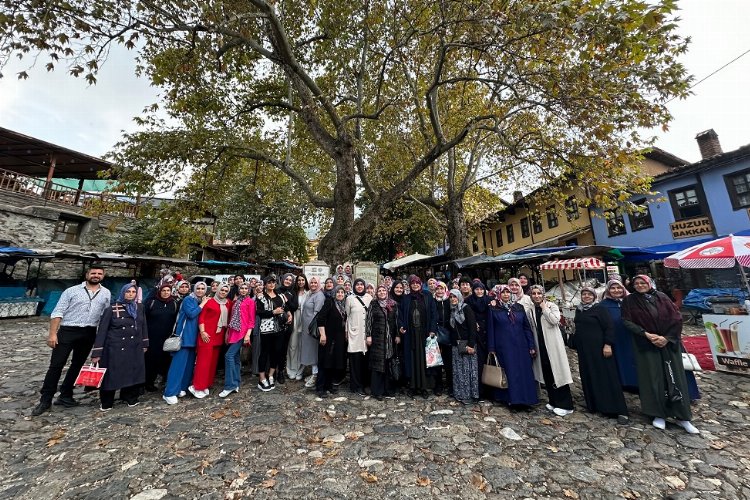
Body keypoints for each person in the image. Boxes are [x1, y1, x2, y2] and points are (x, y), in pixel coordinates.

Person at [621, 275, 699, 434]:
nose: (640, 285)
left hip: (668, 343)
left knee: (675, 377)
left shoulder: (662, 297)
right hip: (646, 344)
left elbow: (676, 318)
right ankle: (658, 414)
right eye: (636, 283)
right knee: (652, 378)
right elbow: (627, 321)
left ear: (649, 283)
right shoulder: (629, 301)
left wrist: (666, 338)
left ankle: (682, 416)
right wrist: (646, 335)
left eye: (643, 282)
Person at [33, 266, 112, 416]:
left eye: (99, 274)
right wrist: (52, 334)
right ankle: (46, 399)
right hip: (68, 330)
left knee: (77, 365)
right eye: (93, 273)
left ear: (103, 276)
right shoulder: (72, 291)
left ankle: (65, 394)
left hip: (89, 332)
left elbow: (104, 316)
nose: (96, 275)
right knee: (56, 365)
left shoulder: (106, 293)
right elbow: (58, 312)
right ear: (87, 274)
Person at [573, 287, 629, 424]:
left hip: (600, 348)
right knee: (589, 375)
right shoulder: (579, 309)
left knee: (606, 376)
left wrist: (608, 344)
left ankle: (615, 408)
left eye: (589, 294)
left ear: (594, 296)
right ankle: (594, 404)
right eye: (584, 294)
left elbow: (609, 327)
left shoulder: (600, 309)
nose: (586, 296)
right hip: (585, 349)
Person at [91, 283, 149, 410]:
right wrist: (97, 352)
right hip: (115, 348)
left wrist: (145, 343)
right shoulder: (111, 309)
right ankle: (107, 402)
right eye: (128, 292)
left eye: (133, 292)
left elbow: (143, 326)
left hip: (134, 346)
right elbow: (102, 331)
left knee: (132, 373)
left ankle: (130, 397)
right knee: (112, 375)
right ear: (123, 293)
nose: (131, 294)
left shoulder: (139, 307)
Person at [525, 285, 575, 416]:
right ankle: (553, 401)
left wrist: (545, 308)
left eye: (539, 293)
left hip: (553, 345)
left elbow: (555, 320)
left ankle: (566, 404)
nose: (536, 296)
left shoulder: (551, 306)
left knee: (558, 374)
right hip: (540, 345)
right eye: (534, 294)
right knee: (547, 373)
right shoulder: (530, 310)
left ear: (543, 294)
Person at [487, 285, 538, 407]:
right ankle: (513, 400)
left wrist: (531, 345)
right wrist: (491, 348)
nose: (505, 295)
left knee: (524, 373)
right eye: (503, 292)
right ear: (499, 294)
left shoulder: (518, 307)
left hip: (521, 345)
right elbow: (491, 329)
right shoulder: (494, 308)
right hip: (504, 347)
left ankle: (527, 400)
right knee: (510, 373)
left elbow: (526, 327)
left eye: (508, 292)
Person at [163, 282, 209, 404]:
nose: (200, 290)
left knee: (188, 366)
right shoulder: (189, 299)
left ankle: (181, 388)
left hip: (194, 339)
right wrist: (203, 304)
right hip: (184, 338)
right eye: (198, 288)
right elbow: (191, 314)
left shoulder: (199, 301)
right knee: (177, 366)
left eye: (202, 288)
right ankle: (169, 392)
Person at [190, 283, 232, 398]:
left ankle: (206, 384)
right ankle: (197, 386)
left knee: (212, 363)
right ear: (217, 290)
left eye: (225, 291)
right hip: (207, 335)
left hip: (219, 336)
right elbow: (201, 318)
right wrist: (202, 332)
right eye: (221, 290)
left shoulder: (228, 303)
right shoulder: (209, 301)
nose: (223, 292)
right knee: (203, 362)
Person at [398, 275, 438, 398]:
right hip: (410, 334)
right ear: (410, 285)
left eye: (417, 283)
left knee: (423, 360)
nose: (415, 285)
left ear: (421, 284)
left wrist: (432, 329)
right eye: (413, 283)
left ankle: (424, 387)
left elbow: (433, 314)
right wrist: (401, 326)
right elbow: (400, 315)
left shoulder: (427, 296)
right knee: (412, 360)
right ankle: (413, 386)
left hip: (424, 334)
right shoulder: (406, 298)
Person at [599, 280, 639, 391]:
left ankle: (636, 383)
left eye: (619, 288)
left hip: (632, 337)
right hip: (615, 338)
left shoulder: (632, 301)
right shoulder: (603, 305)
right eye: (613, 288)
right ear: (608, 290)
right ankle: (623, 383)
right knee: (619, 361)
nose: (616, 290)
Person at [220, 282, 255, 397]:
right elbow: (231, 318)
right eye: (242, 288)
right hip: (233, 332)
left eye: (246, 288)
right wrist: (227, 333)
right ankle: (236, 383)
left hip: (242, 333)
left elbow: (251, 320)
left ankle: (229, 385)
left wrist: (248, 335)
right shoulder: (236, 301)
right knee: (235, 358)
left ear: (249, 290)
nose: (244, 290)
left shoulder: (250, 302)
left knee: (228, 356)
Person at [365, 284, 400, 400]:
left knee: (388, 363)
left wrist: (397, 335)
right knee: (378, 365)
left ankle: (388, 389)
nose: (381, 292)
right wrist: (368, 335)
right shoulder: (373, 304)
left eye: (383, 290)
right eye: (379, 291)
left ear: (387, 291)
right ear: (376, 293)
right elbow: (369, 320)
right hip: (377, 339)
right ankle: (377, 391)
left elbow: (396, 321)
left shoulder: (393, 304)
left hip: (389, 340)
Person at [143, 284, 179, 391]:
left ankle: (158, 382)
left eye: (168, 290)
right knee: (149, 361)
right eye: (164, 290)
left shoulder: (174, 303)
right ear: (160, 291)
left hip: (166, 338)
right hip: (151, 337)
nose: (166, 292)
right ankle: (145, 382)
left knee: (163, 360)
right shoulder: (151, 302)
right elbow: (144, 319)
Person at [255, 276, 287, 391]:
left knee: (277, 352)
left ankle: (271, 374)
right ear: (265, 284)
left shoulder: (281, 296)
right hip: (267, 329)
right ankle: (262, 377)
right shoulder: (261, 296)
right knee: (264, 352)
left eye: (273, 282)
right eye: (269, 282)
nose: (272, 284)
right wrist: (273, 312)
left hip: (280, 329)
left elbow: (285, 308)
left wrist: (289, 315)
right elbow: (259, 312)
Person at [316, 286, 348, 397]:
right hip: (328, 337)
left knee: (333, 362)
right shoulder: (329, 302)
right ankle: (320, 388)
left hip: (338, 339)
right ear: (334, 293)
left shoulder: (343, 305)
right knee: (325, 362)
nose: (340, 294)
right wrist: (323, 335)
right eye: (338, 292)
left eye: (342, 292)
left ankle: (329, 385)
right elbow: (320, 318)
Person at [449, 289, 478, 404]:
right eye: (451, 297)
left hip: (467, 344)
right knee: (459, 371)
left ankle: (470, 395)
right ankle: (460, 393)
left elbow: (472, 327)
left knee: (468, 370)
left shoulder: (466, 308)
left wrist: (471, 344)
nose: (453, 299)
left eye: (455, 297)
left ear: (459, 297)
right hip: (456, 345)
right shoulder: (451, 310)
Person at [346, 278, 371, 396]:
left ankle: (364, 384)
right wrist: (347, 332)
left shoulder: (369, 298)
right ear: (354, 286)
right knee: (354, 359)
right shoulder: (350, 299)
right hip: (354, 332)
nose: (360, 287)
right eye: (357, 285)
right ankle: (355, 385)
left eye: (362, 284)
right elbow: (347, 316)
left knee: (364, 360)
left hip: (366, 333)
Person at [301, 276, 326, 388]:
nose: (313, 284)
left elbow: (317, 314)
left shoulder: (319, 296)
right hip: (307, 327)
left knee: (314, 352)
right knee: (310, 351)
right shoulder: (311, 294)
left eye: (315, 282)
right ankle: (313, 373)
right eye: (311, 282)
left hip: (312, 329)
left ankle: (316, 375)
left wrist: (310, 327)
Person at [275, 273, 298, 384]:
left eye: (290, 280)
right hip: (276, 322)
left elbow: (295, 306)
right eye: (286, 279)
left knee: (283, 348)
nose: (288, 281)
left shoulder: (292, 292)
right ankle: (272, 370)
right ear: (282, 279)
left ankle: (280, 372)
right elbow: (275, 304)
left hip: (287, 323)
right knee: (275, 348)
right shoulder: (276, 290)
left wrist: (286, 300)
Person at [287, 274, 310, 381]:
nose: (301, 282)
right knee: (292, 346)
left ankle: (300, 370)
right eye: (299, 280)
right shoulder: (293, 292)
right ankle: (291, 369)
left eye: (302, 280)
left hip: (305, 320)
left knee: (303, 346)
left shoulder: (309, 293)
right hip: (295, 318)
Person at [433, 281, 453, 396]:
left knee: (448, 362)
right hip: (436, 333)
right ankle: (438, 385)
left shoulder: (449, 300)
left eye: (442, 289)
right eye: (438, 289)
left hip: (448, 333)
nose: (440, 291)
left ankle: (450, 385)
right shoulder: (432, 301)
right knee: (437, 362)